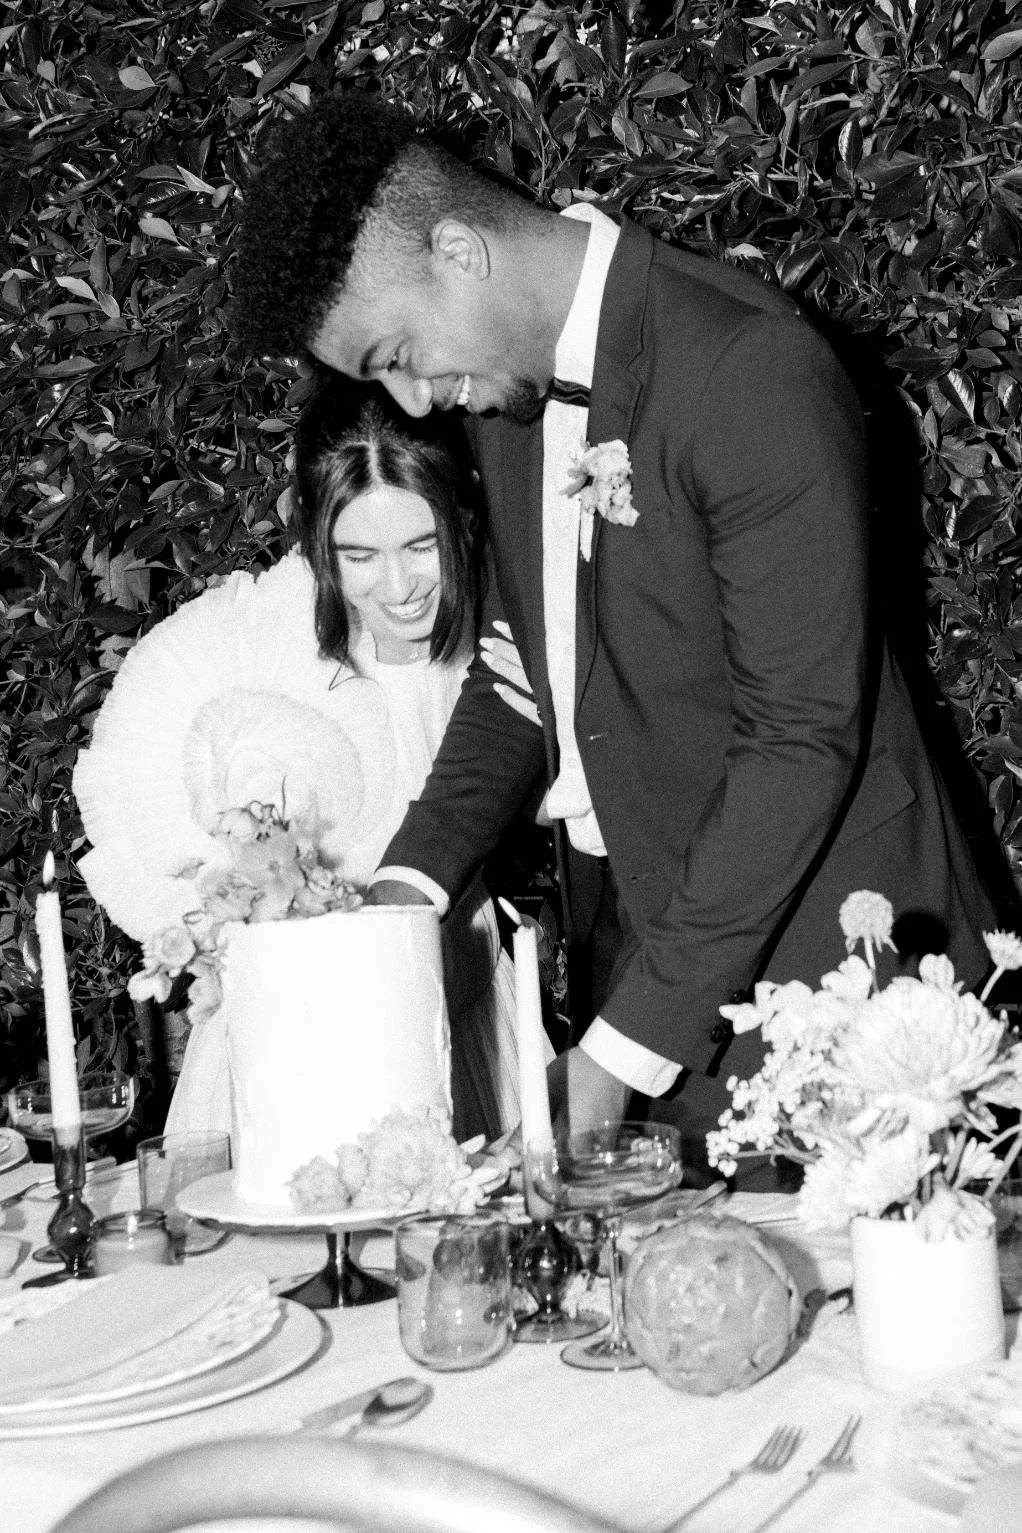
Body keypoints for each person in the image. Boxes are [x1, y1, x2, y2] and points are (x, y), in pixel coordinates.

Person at [232, 92, 999, 1170]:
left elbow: (798, 740)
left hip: (845, 976)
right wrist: (401, 897)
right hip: (646, 959)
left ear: (458, 252)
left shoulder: (748, 367)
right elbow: (524, 671)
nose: (411, 401)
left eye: (397, 353)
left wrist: (621, 1048)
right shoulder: (504, 387)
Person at [75, 374, 543, 1145]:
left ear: (462, 514)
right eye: (360, 555)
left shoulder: (505, 633)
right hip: (295, 1028)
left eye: (422, 545)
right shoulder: (263, 643)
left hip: (460, 996)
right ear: (320, 543)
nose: (399, 586)